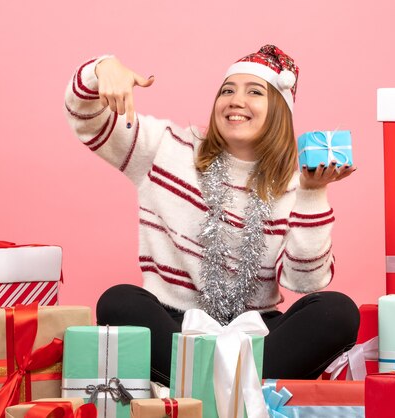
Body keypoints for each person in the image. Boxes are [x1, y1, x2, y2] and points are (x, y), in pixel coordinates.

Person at [64, 45, 360, 386]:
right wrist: (101, 69)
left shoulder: (293, 186)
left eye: (254, 92)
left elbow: (305, 283)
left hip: (257, 332)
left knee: (337, 312)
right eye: (227, 90)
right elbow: (87, 120)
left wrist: (311, 193)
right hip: (174, 328)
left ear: (280, 109)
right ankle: (238, 390)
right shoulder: (164, 147)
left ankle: (203, 389)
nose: (236, 100)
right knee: (118, 302)